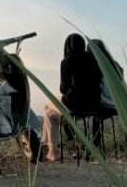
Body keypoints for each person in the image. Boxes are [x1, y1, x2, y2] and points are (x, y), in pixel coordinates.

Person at [41, 33, 102, 162]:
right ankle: (73, 148)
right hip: (94, 105)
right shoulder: (92, 60)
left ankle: (51, 151)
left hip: (75, 106)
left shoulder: (67, 61)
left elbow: (63, 89)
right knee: (58, 115)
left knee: (48, 111)